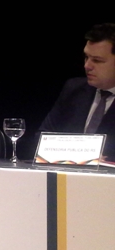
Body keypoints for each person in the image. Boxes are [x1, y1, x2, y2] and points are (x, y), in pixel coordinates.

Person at [39, 23, 115, 160]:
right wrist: (82, 157)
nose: (87, 66)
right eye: (86, 57)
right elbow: (44, 137)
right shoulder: (74, 89)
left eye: (97, 60)